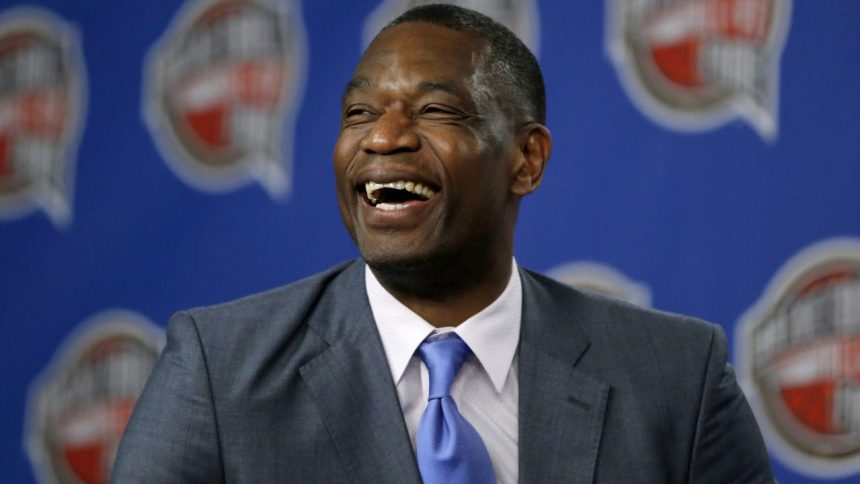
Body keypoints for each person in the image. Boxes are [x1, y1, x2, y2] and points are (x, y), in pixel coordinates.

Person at [113, 4, 773, 483]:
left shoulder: (676, 375)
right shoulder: (218, 370)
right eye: (359, 113)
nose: (383, 138)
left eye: (433, 111)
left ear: (526, 159)